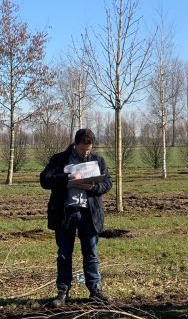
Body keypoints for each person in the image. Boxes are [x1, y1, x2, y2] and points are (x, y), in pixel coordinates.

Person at [40, 129, 112, 308]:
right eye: (81, 150)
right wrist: (66, 178)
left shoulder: (98, 161)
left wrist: (94, 188)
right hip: (66, 213)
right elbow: (45, 180)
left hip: (89, 214)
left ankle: (95, 290)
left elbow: (107, 183)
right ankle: (62, 292)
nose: (85, 153)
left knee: (91, 254)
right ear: (75, 144)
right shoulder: (59, 159)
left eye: (88, 150)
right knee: (64, 254)